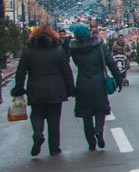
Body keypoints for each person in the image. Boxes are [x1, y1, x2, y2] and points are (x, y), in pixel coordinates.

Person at [10, 25, 75, 157]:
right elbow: (67, 71)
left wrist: (19, 88)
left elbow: (21, 71)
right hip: (55, 89)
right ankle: (54, 148)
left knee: (36, 114)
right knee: (54, 119)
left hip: (35, 88)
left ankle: (38, 134)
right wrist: (70, 88)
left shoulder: (28, 51)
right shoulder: (58, 50)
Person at [66, 24, 123, 151]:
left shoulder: (74, 49)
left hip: (82, 84)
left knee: (86, 114)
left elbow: (71, 64)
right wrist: (118, 79)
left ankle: (91, 142)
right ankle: (99, 131)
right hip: (99, 83)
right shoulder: (99, 46)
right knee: (100, 110)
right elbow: (111, 63)